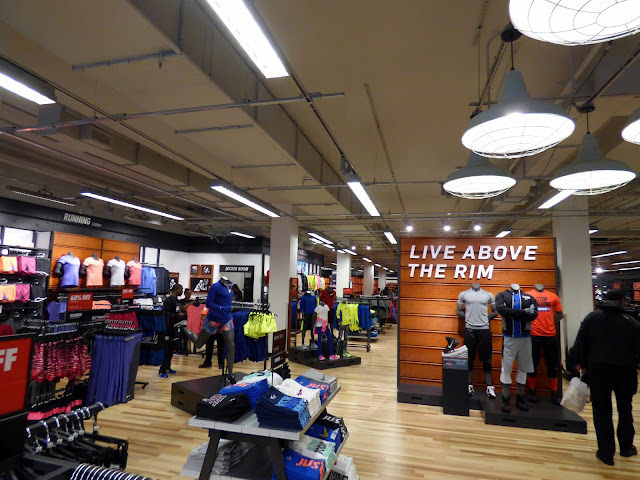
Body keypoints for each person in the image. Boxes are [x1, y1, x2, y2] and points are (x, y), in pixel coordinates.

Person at [573, 289, 640, 466]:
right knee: (625, 409)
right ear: (621, 301)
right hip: (625, 371)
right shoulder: (630, 321)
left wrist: (581, 364)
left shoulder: (591, 318)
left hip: (598, 370)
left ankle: (605, 453)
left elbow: (581, 343)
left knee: (601, 411)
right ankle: (626, 448)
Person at [160, 283, 184, 378]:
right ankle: (162, 370)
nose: (182, 291)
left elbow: (176, 311)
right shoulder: (169, 300)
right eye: (181, 289)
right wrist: (177, 315)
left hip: (174, 327)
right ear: (176, 289)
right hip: (168, 328)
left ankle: (167, 367)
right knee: (166, 350)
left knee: (171, 349)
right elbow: (165, 314)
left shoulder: (176, 300)